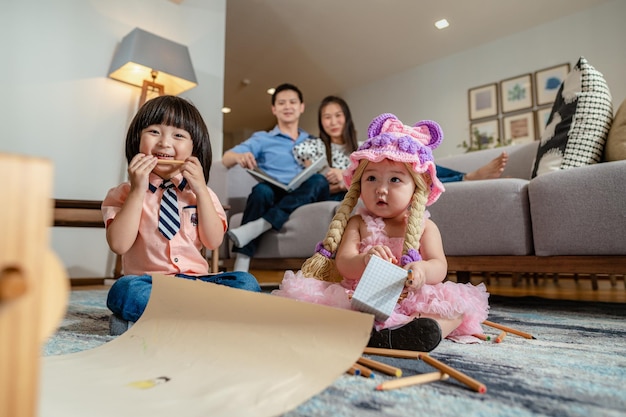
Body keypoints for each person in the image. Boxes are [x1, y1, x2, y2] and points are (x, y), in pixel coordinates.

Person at [273, 113, 489, 352]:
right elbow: (344, 263)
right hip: (362, 295)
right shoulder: (358, 223)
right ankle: (377, 330)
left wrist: (421, 271)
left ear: (417, 188)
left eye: (395, 179)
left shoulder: (426, 227)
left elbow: (439, 265)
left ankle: (418, 332)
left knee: (458, 307)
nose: (381, 190)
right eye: (372, 178)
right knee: (324, 303)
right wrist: (364, 260)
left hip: (410, 297)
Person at [103, 95, 261, 327]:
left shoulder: (202, 194)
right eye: (154, 131)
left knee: (246, 283)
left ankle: (173, 318)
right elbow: (119, 245)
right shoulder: (123, 193)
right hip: (148, 284)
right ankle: (208, 319)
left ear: (194, 148)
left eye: (178, 135)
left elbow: (213, 241)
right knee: (123, 291)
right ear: (137, 139)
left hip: (197, 284)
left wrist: (200, 190)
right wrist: (138, 189)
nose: (164, 143)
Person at [222, 83, 330, 272]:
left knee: (319, 181)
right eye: (281, 103)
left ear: (301, 107)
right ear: (274, 109)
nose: (287, 107)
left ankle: (259, 225)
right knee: (260, 191)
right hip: (274, 190)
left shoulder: (313, 141)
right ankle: (241, 262)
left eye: (292, 102)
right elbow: (226, 158)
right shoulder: (262, 138)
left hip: (305, 193)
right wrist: (239, 157)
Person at [292, 95, 359, 201]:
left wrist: (343, 175)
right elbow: (310, 187)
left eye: (338, 115)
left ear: (347, 117)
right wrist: (340, 186)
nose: (333, 122)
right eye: (327, 117)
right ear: (321, 122)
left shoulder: (363, 150)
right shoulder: (312, 147)